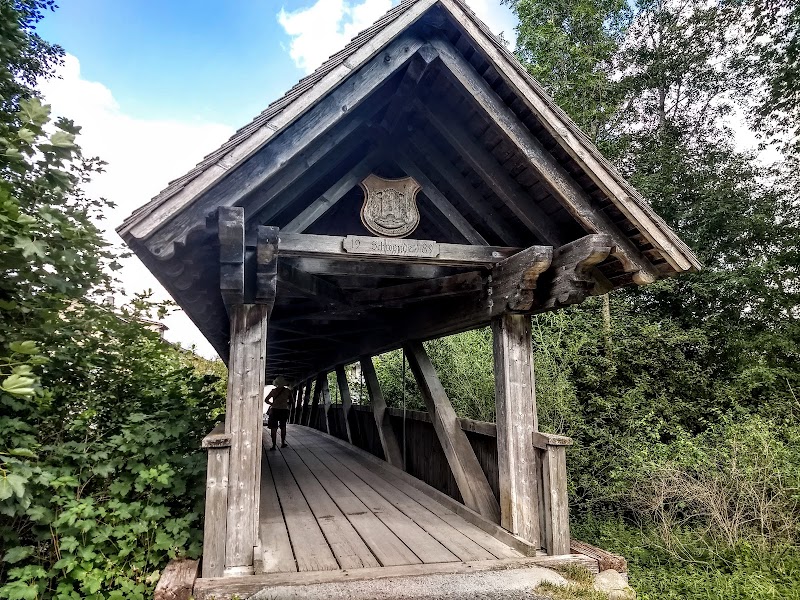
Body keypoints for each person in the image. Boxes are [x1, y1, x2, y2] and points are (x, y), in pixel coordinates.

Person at [265, 376, 292, 450]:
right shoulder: (287, 391)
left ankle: (273, 445)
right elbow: (291, 401)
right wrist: (285, 403)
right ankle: (283, 443)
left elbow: (266, 400)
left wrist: (272, 404)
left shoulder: (273, 391)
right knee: (283, 427)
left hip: (274, 410)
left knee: (273, 428)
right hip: (283, 410)